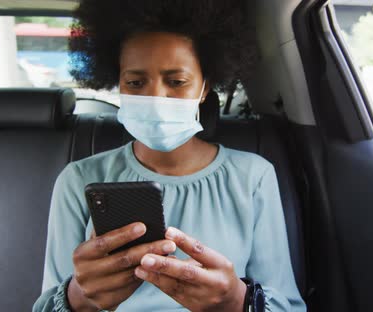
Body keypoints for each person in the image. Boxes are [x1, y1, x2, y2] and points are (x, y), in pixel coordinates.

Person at [33, 0, 306, 311]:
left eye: (176, 82)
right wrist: (80, 299)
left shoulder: (253, 177)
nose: (155, 97)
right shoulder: (78, 180)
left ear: (205, 87)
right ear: (117, 84)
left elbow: (288, 306)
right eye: (135, 83)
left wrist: (235, 301)